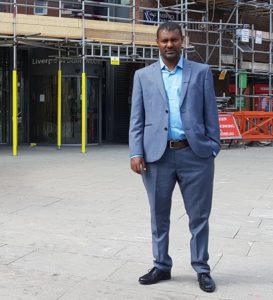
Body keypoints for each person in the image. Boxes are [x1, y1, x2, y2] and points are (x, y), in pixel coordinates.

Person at [129, 22, 221, 293]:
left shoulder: (201, 72)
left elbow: (210, 113)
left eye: (174, 40)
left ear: (183, 41)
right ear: (157, 43)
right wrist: (136, 151)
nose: (169, 45)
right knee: (159, 216)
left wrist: (213, 146)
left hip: (196, 156)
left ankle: (201, 268)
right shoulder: (143, 76)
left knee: (199, 216)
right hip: (157, 157)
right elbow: (137, 118)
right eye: (164, 40)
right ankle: (161, 265)